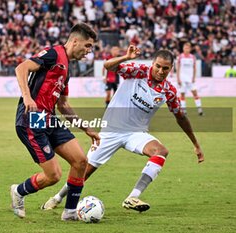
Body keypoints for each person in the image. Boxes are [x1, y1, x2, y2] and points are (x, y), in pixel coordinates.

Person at [41, 45, 205, 213]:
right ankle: (57, 197)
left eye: (165, 68)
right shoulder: (139, 71)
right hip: (111, 131)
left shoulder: (168, 91)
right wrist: (126, 57)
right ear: (153, 63)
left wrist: (196, 144)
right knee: (84, 171)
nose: (161, 71)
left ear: (171, 69)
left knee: (161, 151)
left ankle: (132, 197)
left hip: (136, 133)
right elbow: (107, 66)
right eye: (158, 66)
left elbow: (181, 117)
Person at [11, 23, 100, 221]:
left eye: (90, 48)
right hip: (31, 118)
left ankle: (69, 213)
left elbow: (63, 105)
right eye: (87, 46)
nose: (88, 52)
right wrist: (27, 97)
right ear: (75, 41)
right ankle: (18, 191)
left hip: (49, 117)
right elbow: (21, 68)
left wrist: (87, 129)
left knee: (81, 161)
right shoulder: (53, 54)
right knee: (53, 176)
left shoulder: (67, 69)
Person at [176, 42, 203, 116]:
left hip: (190, 78)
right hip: (182, 78)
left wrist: (194, 77)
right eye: (185, 48)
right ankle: (184, 109)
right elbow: (178, 68)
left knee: (195, 93)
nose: (186, 49)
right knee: (182, 94)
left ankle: (199, 108)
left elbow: (194, 68)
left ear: (190, 49)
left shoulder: (192, 57)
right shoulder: (180, 57)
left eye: (188, 48)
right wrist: (178, 78)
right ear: (183, 49)